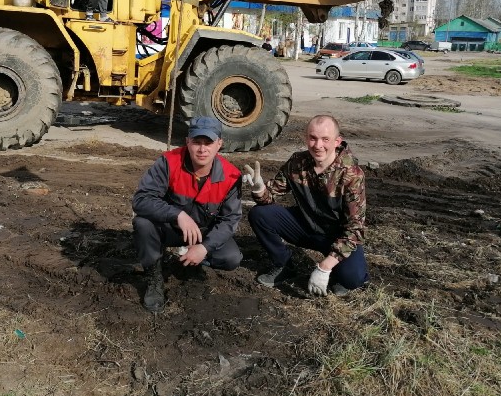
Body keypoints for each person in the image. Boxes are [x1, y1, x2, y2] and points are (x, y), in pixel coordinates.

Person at [244, 115, 369, 297]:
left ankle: (340, 270)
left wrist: (325, 266)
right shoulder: (297, 162)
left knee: (352, 280)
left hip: (337, 236)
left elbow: (355, 229)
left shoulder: (352, 174)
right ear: (306, 139)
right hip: (306, 227)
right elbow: (269, 196)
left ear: (337, 141)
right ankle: (283, 265)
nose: (318, 145)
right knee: (260, 214)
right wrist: (260, 189)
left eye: (325, 139)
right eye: (313, 138)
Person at [132, 116, 243, 312]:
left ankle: (195, 256)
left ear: (219, 144)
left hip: (204, 232)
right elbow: (141, 200)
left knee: (232, 258)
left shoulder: (231, 176)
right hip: (171, 228)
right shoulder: (168, 162)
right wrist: (177, 215)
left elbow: (229, 221)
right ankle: (154, 277)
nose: (202, 149)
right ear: (187, 142)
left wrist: (204, 247)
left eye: (208, 143)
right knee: (143, 223)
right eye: (196, 142)